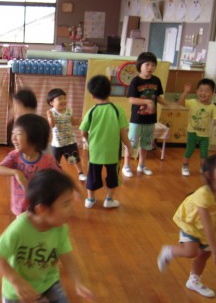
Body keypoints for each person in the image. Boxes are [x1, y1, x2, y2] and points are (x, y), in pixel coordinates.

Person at [0, 169, 94, 303]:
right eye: (66, 204)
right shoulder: (19, 229)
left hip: (48, 282)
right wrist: (16, 281)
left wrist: (78, 282)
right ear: (43, 209)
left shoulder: (60, 228)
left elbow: (67, 256)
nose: (71, 209)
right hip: (18, 291)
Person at [157, 153, 216, 298]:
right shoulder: (204, 194)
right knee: (191, 251)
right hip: (191, 223)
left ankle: (194, 281)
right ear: (210, 175)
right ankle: (169, 251)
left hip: (212, 226)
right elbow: (205, 223)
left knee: (204, 254)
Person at [80, 75, 133, 209]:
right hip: (112, 152)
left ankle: (90, 200)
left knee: (92, 176)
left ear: (92, 95)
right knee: (112, 177)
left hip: (95, 151)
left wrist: (87, 140)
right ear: (109, 92)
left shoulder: (91, 111)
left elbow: (83, 131)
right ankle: (109, 199)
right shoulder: (117, 110)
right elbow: (123, 133)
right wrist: (129, 146)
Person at [0, 114, 60, 216]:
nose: (13, 138)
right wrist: (16, 172)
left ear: (33, 138)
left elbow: (58, 178)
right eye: (13, 133)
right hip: (20, 205)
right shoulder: (14, 156)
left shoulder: (47, 160)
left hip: (40, 207)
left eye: (18, 134)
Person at [122, 52, 166, 177]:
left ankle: (141, 165)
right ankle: (126, 166)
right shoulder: (135, 81)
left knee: (146, 143)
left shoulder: (156, 80)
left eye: (153, 65)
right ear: (140, 66)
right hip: (137, 118)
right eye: (147, 64)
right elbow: (131, 99)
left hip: (151, 118)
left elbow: (157, 97)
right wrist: (147, 101)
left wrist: (169, 104)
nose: (150, 67)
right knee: (132, 142)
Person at [178, 79, 216, 176]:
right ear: (196, 91)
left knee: (204, 153)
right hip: (192, 132)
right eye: (200, 90)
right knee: (189, 150)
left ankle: (203, 167)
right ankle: (185, 165)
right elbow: (180, 102)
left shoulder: (212, 107)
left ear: (212, 93)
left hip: (205, 135)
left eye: (206, 90)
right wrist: (186, 92)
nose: (203, 93)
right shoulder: (192, 102)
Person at [46, 88, 86, 181]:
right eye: (59, 99)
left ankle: (80, 173)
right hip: (57, 143)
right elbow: (51, 125)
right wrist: (50, 117)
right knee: (55, 161)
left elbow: (72, 121)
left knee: (75, 158)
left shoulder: (68, 110)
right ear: (51, 102)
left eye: (64, 98)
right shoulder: (51, 112)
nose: (63, 101)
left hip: (70, 140)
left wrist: (82, 120)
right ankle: (54, 175)